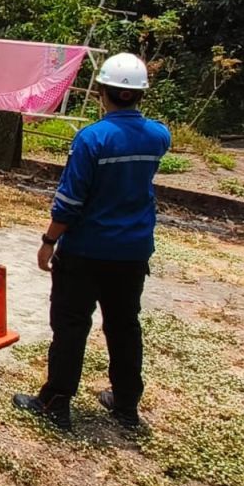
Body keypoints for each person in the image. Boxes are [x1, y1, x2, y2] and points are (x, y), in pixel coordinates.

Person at [13, 53, 171, 431]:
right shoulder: (159, 137)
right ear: (140, 95)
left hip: (86, 250)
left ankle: (56, 401)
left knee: (71, 325)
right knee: (124, 326)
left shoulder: (92, 139)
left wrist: (49, 240)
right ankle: (127, 405)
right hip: (132, 252)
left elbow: (70, 200)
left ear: (102, 91)